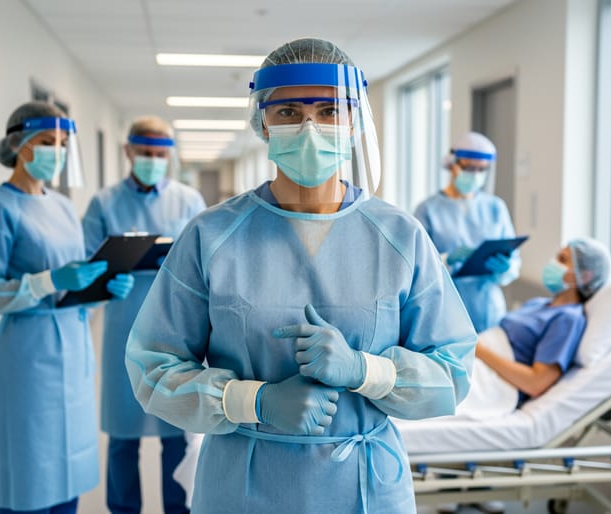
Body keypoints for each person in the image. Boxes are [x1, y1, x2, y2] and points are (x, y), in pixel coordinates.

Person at [124, 38, 476, 514]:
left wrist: (364, 370)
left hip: (364, 486)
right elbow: (153, 367)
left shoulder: (399, 236)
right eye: (289, 111)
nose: (310, 127)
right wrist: (255, 401)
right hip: (244, 483)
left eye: (330, 110)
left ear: (354, 122)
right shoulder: (213, 235)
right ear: (262, 123)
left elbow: (452, 372)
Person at [0, 101, 134, 514]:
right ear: (18, 144)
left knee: (67, 478)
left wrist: (102, 288)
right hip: (26, 360)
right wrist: (49, 281)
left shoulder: (61, 206)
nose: (56, 152)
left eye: (62, 143)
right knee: (28, 479)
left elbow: (74, 280)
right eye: (46, 142)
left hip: (73, 352)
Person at [82, 116, 205, 514]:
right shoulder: (104, 203)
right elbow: (85, 267)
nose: (152, 160)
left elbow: (208, 262)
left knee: (176, 431)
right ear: (128, 151)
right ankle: (122, 508)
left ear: (169, 155)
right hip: (123, 326)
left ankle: (178, 508)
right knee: (122, 435)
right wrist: (105, 278)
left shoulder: (189, 201)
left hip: (176, 327)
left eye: (159, 154)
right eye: (145, 153)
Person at [474, 238, 611, 405]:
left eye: (562, 260)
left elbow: (535, 383)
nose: (553, 263)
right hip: (477, 361)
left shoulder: (567, 318)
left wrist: (478, 349)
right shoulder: (538, 303)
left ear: (584, 276)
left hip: (492, 382)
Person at [414, 132, 520, 332]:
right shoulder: (428, 210)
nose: (476, 175)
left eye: (482, 170)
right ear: (452, 164)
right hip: (444, 309)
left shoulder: (495, 207)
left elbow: (514, 260)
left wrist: (506, 267)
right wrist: (447, 259)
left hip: (488, 309)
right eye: (469, 168)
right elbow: (417, 265)